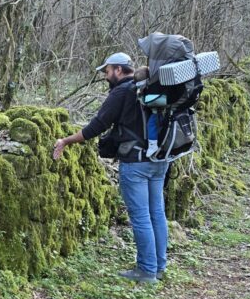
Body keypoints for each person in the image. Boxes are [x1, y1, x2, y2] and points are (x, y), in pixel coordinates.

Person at [52, 52, 169, 285]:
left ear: (118, 69)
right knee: (157, 213)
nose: (106, 76)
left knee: (141, 216)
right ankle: (159, 266)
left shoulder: (123, 91)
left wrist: (66, 140)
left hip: (136, 163)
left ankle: (146, 270)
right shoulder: (149, 88)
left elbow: (98, 125)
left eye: (107, 71)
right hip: (160, 159)